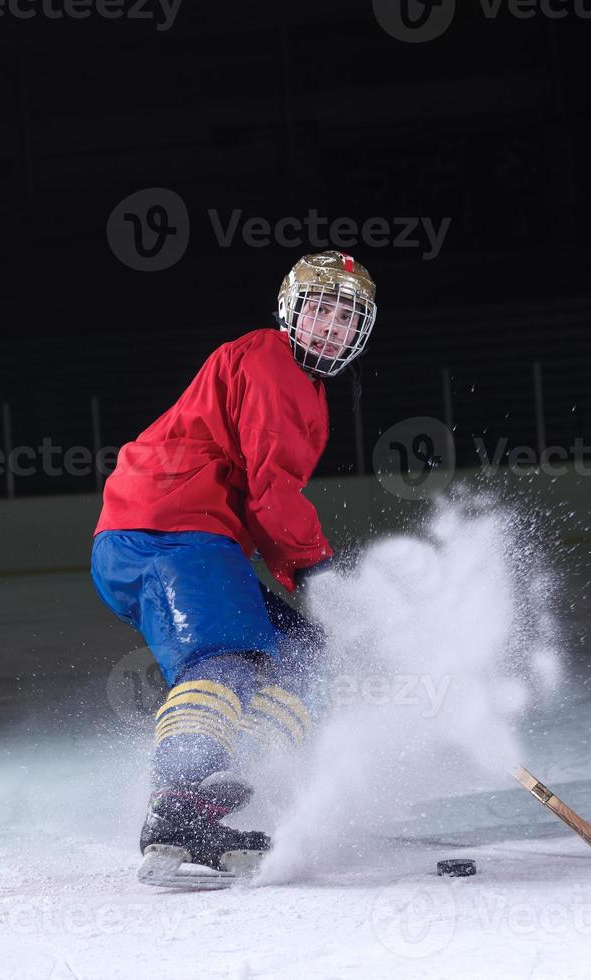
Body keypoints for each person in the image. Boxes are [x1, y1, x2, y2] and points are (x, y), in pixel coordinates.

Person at [90, 251, 379, 881]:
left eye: (346, 318)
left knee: (303, 649)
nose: (331, 326)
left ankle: (235, 781)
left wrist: (310, 572)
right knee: (226, 653)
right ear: (291, 314)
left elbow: (263, 496)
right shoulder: (270, 359)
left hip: (199, 536)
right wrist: (318, 570)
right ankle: (176, 806)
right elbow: (270, 489)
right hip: (164, 526)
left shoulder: (309, 390)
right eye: (321, 310)